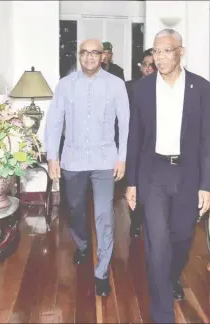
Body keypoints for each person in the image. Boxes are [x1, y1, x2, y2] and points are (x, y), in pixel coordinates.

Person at [126, 28, 210, 323]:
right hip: (153, 173)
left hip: (188, 173)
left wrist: (206, 185)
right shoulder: (142, 88)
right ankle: (162, 313)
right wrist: (132, 182)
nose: (159, 57)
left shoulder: (201, 88)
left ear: (180, 52)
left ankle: (171, 276)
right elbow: (134, 137)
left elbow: (206, 140)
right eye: (156, 51)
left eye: (166, 51)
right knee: (156, 242)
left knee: (182, 237)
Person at [45, 39, 130, 297]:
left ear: (103, 56)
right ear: (79, 55)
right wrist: (52, 158)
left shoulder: (115, 85)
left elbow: (125, 124)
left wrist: (122, 157)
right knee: (74, 209)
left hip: (105, 160)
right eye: (85, 52)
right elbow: (54, 122)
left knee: (104, 215)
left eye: (95, 53)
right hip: (73, 160)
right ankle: (82, 244)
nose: (90, 57)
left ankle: (101, 271)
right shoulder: (65, 84)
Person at [125, 48, 157, 239]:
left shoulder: (166, 87)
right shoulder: (130, 87)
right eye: (146, 64)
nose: (149, 68)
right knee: (135, 184)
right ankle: (136, 222)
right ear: (141, 67)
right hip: (135, 144)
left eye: (152, 65)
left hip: (157, 147)